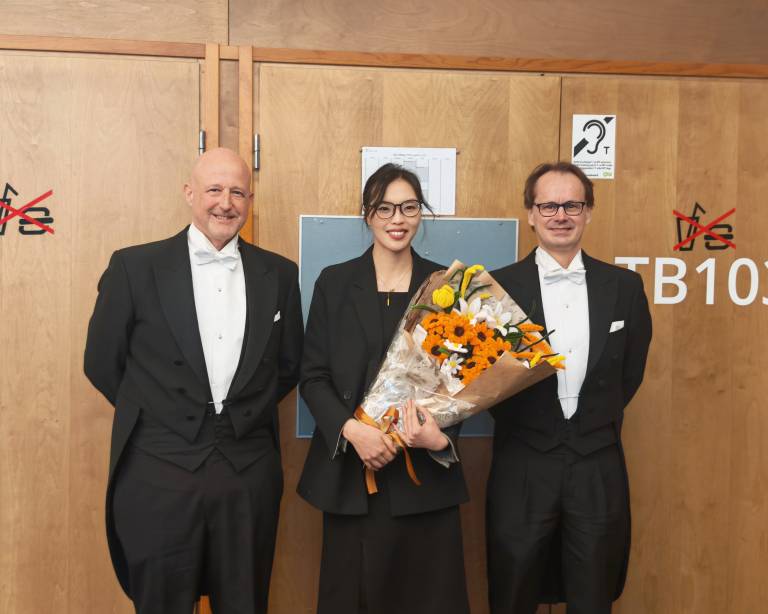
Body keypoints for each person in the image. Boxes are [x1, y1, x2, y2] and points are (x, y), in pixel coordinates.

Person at [84, 147, 303, 614]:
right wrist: (161, 408)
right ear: (189, 193)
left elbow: (288, 366)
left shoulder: (282, 275)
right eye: (214, 189)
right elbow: (101, 362)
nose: (226, 202)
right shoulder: (134, 267)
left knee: (246, 602)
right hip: (157, 469)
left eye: (238, 192)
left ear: (250, 200)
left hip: (249, 470)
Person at [297, 163, 470, 614]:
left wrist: (439, 438)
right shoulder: (335, 283)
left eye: (409, 207)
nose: (398, 219)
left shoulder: (445, 287)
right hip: (351, 477)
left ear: (421, 213)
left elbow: (463, 381)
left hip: (426, 479)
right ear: (368, 214)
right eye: (385, 208)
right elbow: (312, 375)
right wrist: (352, 431)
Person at [486, 161, 652, 614]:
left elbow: (629, 373)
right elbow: (484, 380)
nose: (561, 215)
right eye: (549, 206)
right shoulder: (497, 287)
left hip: (597, 461)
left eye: (572, 205)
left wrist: (587, 423)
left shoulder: (625, 287)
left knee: (593, 593)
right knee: (513, 591)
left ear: (588, 212)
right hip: (521, 462)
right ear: (531, 214)